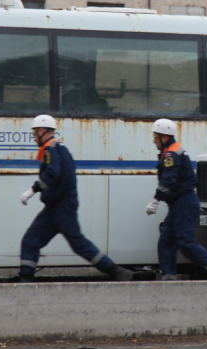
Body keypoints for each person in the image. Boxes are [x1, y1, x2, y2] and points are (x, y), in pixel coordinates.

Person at [18, 114, 131, 283]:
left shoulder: (51, 148)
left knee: (78, 243)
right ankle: (25, 278)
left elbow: (53, 173)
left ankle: (116, 271)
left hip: (61, 207)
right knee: (30, 240)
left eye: (35, 133)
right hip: (54, 207)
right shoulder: (59, 148)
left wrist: (33, 190)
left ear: (43, 130)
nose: (34, 138)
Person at [146, 119, 207, 281]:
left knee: (185, 243)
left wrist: (155, 200)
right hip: (178, 203)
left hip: (184, 202)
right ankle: (169, 279)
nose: (154, 141)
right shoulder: (171, 151)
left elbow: (168, 180)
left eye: (155, 137)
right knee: (166, 242)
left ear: (164, 137)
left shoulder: (171, 154)